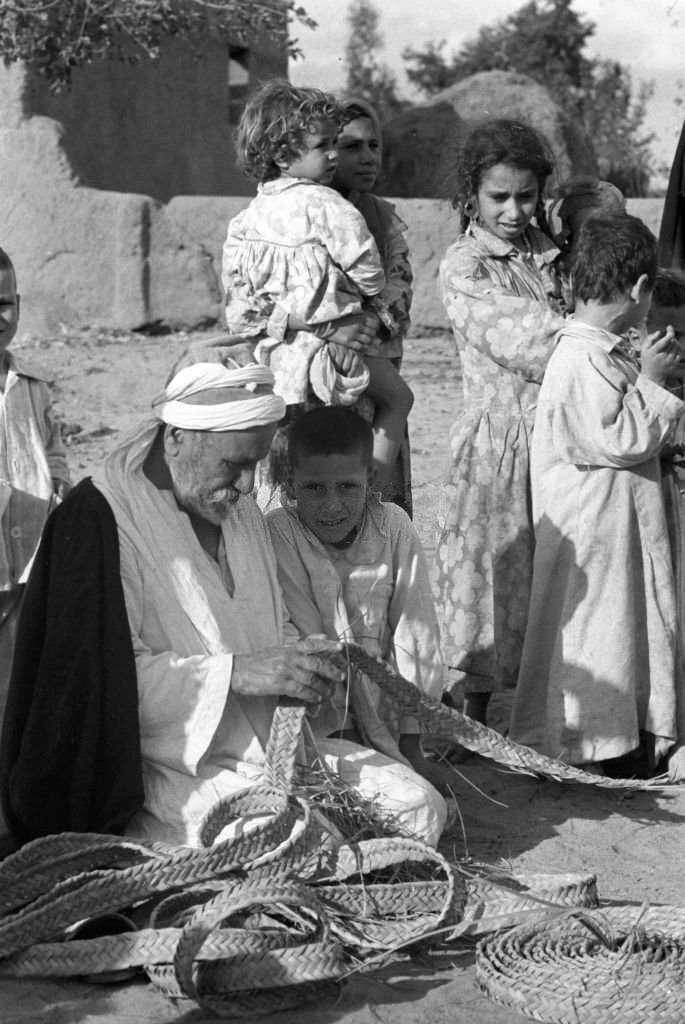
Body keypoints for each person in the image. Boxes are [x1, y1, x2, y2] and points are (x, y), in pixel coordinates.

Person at [1, 358, 445, 849]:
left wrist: (302, 660)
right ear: (175, 439)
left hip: (275, 758)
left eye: (256, 465)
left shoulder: (243, 514)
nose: (249, 485)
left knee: (420, 809)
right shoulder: (98, 521)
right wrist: (233, 675)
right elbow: (97, 692)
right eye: (234, 465)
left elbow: (271, 628)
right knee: (296, 840)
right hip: (167, 773)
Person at [509, 214, 685, 778]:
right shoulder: (581, 359)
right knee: (594, 637)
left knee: (622, 632)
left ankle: (627, 735)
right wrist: (653, 382)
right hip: (592, 539)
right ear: (638, 289)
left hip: (615, 536)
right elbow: (617, 438)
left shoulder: (600, 353)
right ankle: (594, 747)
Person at [221, 79, 413, 498]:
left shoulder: (245, 222)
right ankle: (372, 481)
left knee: (294, 473)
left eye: (371, 146)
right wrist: (333, 321)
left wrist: (298, 321)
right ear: (283, 153)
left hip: (282, 368)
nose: (336, 155)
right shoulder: (331, 208)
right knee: (386, 410)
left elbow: (242, 314)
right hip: (338, 368)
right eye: (332, 145)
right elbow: (372, 277)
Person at [434, 119, 565, 727]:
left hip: (558, 439)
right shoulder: (465, 266)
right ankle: (468, 724)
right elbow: (525, 338)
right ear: (471, 196)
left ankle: (551, 717)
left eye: (526, 196)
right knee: (486, 584)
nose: (514, 211)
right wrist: (598, 336)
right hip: (498, 444)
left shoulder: (556, 255)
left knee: (555, 579)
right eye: (499, 198)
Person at [266, 407, 451, 831]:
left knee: (424, 808)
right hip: (315, 723)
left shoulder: (393, 527)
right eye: (314, 488)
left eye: (348, 487)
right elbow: (307, 639)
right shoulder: (280, 532)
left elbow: (416, 633)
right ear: (290, 482)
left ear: (372, 478)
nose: (332, 506)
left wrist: (411, 743)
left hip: (388, 712)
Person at [0, 247, 71, 830]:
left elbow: (52, 456)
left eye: (4, 304)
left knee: (19, 691)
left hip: (27, 563)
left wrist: (62, 494)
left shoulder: (33, 387)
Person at [332, 96, 414, 514]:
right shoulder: (307, 215)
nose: (367, 158)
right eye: (352, 147)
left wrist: (367, 321)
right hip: (324, 377)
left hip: (374, 372)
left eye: (373, 146)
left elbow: (400, 284)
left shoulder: (383, 216)